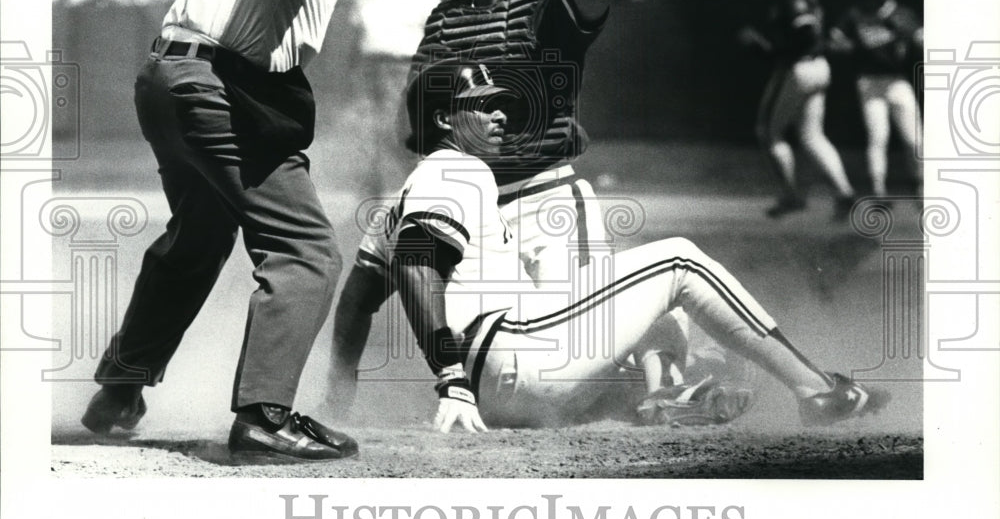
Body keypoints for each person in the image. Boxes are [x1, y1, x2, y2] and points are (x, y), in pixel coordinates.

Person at [80, 0, 481, 463]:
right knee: (306, 252)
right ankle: (265, 415)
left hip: (172, 78)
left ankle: (121, 389)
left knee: (199, 238)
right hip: (218, 87)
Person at [331, 59, 890, 431]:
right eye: (483, 103)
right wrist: (449, 378)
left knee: (619, 299)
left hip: (505, 380)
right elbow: (417, 263)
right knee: (678, 259)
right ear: (442, 119)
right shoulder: (456, 171)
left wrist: (340, 395)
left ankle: (667, 393)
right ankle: (815, 390)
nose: (501, 112)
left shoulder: (406, 193)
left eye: (501, 100)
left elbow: (357, 301)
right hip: (511, 359)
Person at [401, 0, 693, 385]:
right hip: (483, 212)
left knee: (595, 327)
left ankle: (669, 386)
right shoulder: (444, 21)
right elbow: (424, 119)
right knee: (539, 353)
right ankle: (671, 374)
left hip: (548, 199)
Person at [739, 0, 857, 219]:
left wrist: (765, 48)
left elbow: (806, 33)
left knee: (769, 132)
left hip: (799, 68)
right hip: (818, 66)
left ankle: (792, 195)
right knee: (812, 135)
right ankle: (845, 192)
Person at [349, 0, 443, 198]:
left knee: (397, 130)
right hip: (369, 67)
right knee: (367, 130)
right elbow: (356, 38)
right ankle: (372, 190)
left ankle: (410, 187)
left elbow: (435, 38)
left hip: (404, 69)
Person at [829, 0, 923, 197]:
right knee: (878, 136)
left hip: (896, 81)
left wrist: (913, 39)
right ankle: (878, 189)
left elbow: (921, 39)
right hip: (869, 82)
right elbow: (835, 40)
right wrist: (852, 47)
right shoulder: (857, 14)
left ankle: (921, 183)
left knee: (914, 140)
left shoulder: (902, 14)